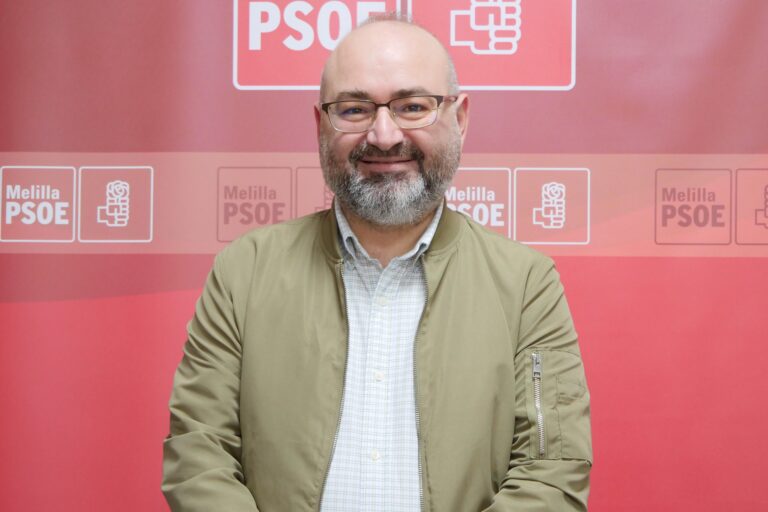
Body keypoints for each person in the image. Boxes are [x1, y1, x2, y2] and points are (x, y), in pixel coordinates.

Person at [162, 15, 592, 512]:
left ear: (460, 117)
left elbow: (551, 470)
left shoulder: (525, 284)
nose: (384, 135)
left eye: (413, 106)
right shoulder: (245, 272)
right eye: (354, 109)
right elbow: (199, 455)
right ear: (321, 125)